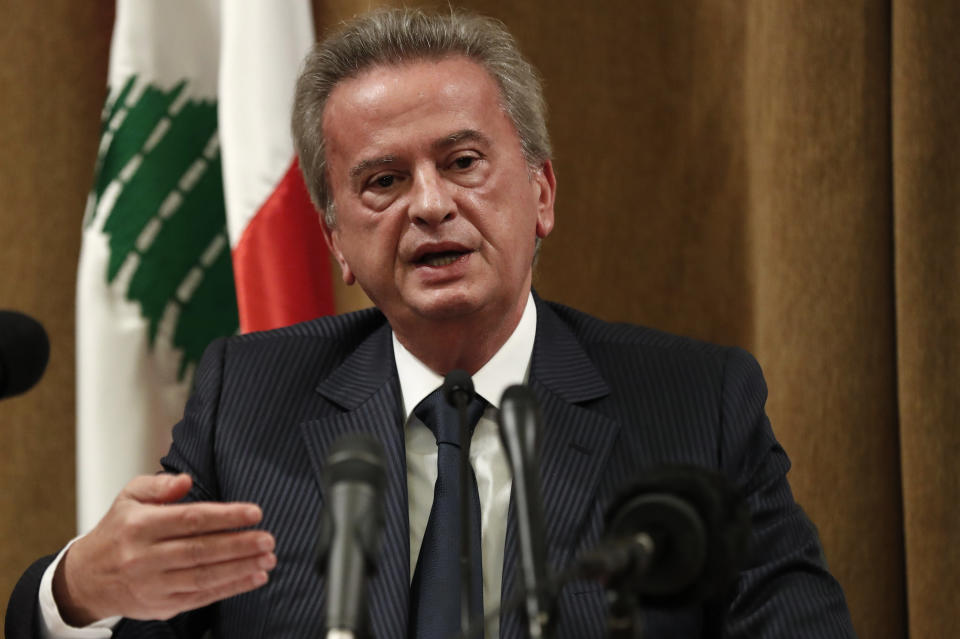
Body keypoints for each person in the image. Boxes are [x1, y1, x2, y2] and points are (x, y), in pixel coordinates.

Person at [7, 8, 856, 639]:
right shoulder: (249, 402)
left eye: (463, 162)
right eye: (382, 181)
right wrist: (77, 590)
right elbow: (138, 612)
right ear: (337, 239)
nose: (431, 204)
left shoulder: (692, 404)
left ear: (543, 194)